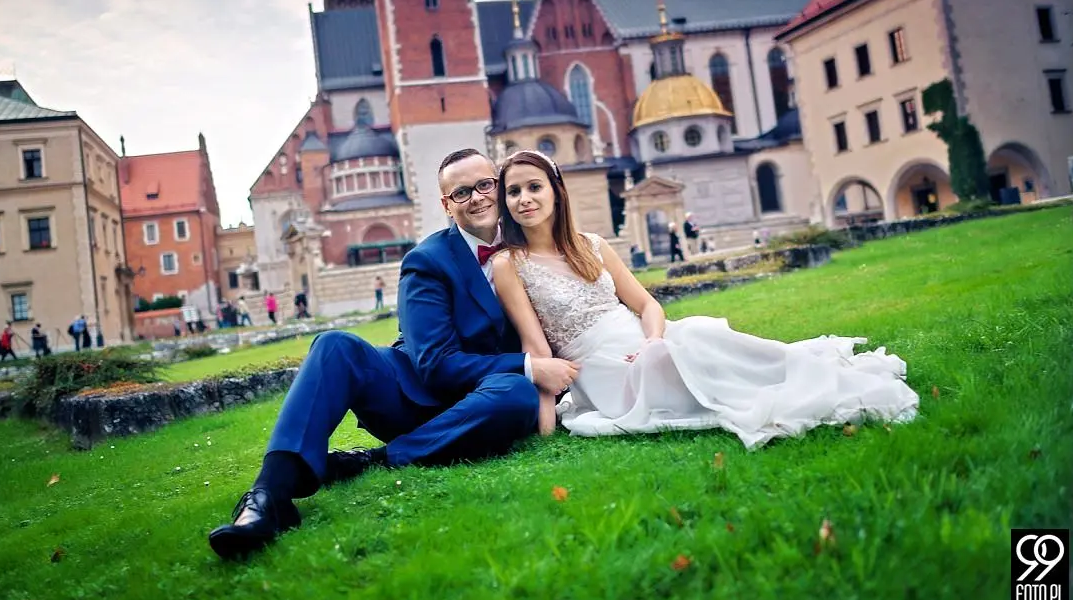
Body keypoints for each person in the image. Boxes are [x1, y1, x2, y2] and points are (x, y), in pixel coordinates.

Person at [207, 148, 581, 560]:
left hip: (489, 404)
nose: (476, 197)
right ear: (446, 205)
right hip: (416, 396)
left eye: (484, 185)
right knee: (334, 346)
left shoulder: (532, 241)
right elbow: (436, 365)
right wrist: (530, 365)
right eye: (460, 193)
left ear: (498, 184)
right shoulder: (427, 260)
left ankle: (377, 459)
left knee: (517, 395)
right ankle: (268, 495)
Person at [489, 150, 920, 447]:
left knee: (693, 336)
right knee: (689, 351)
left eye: (534, 187)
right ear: (506, 203)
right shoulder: (511, 264)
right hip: (603, 370)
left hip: (644, 341)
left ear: (555, 191)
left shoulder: (593, 245)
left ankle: (801, 370)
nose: (524, 199)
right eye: (514, 192)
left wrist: (652, 341)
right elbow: (537, 349)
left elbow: (648, 306)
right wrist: (547, 414)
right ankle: (785, 375)